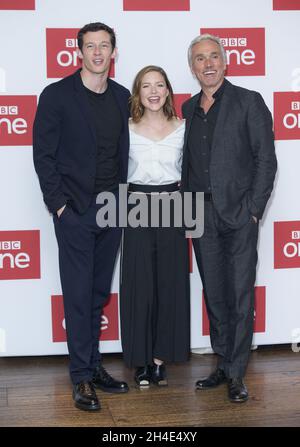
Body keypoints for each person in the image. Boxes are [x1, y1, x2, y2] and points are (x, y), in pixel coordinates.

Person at [33, 22, 130, 411]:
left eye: (104, 46)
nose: (98, 53)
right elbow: (44, 156)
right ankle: (80, 378)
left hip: (113, 210)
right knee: (76, 295)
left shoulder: (123, 97)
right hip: (74, 210)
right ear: (79, 52)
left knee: (96, 295)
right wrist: (59, 206)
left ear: (113, 53)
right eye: (90, 46)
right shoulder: (56, 95)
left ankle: (94, 367)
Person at [181, 34, 277, 402]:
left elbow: (266, 161)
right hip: (199, 215)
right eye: (200, 59)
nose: (208, 64)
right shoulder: (187, 109)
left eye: (214, 57)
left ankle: (238, 373)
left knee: (239, 294)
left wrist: (254, 211)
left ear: (226, 62)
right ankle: (223, 363)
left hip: (238, 214)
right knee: (215, 294)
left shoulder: (249, 102)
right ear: (193, 68)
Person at [120, 66, 190, 388]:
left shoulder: (183, 127)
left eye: (159, 85)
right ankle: (141, 360)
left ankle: (160, 360)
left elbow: (191, 173)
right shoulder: (126, 127)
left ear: (167, 91)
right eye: (146, 85)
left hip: (173, 203)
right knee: (139, 284)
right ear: (138, 92)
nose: (153, 91)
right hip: (135, 203)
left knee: (170, 283)